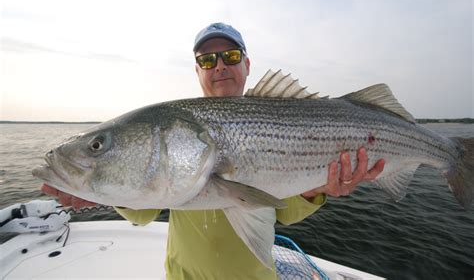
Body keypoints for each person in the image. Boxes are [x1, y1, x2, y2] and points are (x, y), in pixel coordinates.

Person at [42, 22, 385, 279]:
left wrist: (321, 188)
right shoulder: (175, 120)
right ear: (198, 71)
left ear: (247, 65)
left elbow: (282, 211)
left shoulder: (268, 111)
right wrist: (103, 189)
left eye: (231, 56)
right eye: (207, 60)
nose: (219, 65)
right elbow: (142, 213)